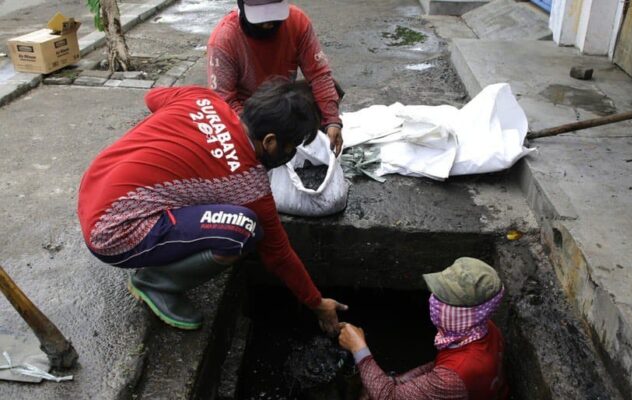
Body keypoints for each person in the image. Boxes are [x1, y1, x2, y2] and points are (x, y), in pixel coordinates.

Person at [77, 80, 347, 332]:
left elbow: (152, 97)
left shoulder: (203, 98)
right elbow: (278, 254)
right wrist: (317, 303)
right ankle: (155, 283)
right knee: (245, 228)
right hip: (112, 234)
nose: (292, 154)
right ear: (270, 142)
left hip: (94, 189)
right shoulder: (248, 183)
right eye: (292, 147)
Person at [339, 258, 508, 400]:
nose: (434, 301)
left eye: (443, 299)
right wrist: (397, 381)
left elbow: (388, 398)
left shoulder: (454, 377)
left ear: (466, 313)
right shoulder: (484, 330)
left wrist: (359, 348)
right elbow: (439, 367)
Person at [207, 0, 344, 156]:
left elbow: (319, 75)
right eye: (261, 19)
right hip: (249, 112)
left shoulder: (297, 22)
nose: (268, 24)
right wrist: (254, 132)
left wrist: (333, 121)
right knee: (248, 141)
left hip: (281, 102)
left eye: (273, 16)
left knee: (331, 91)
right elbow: (224, 100)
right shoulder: (225, 39)